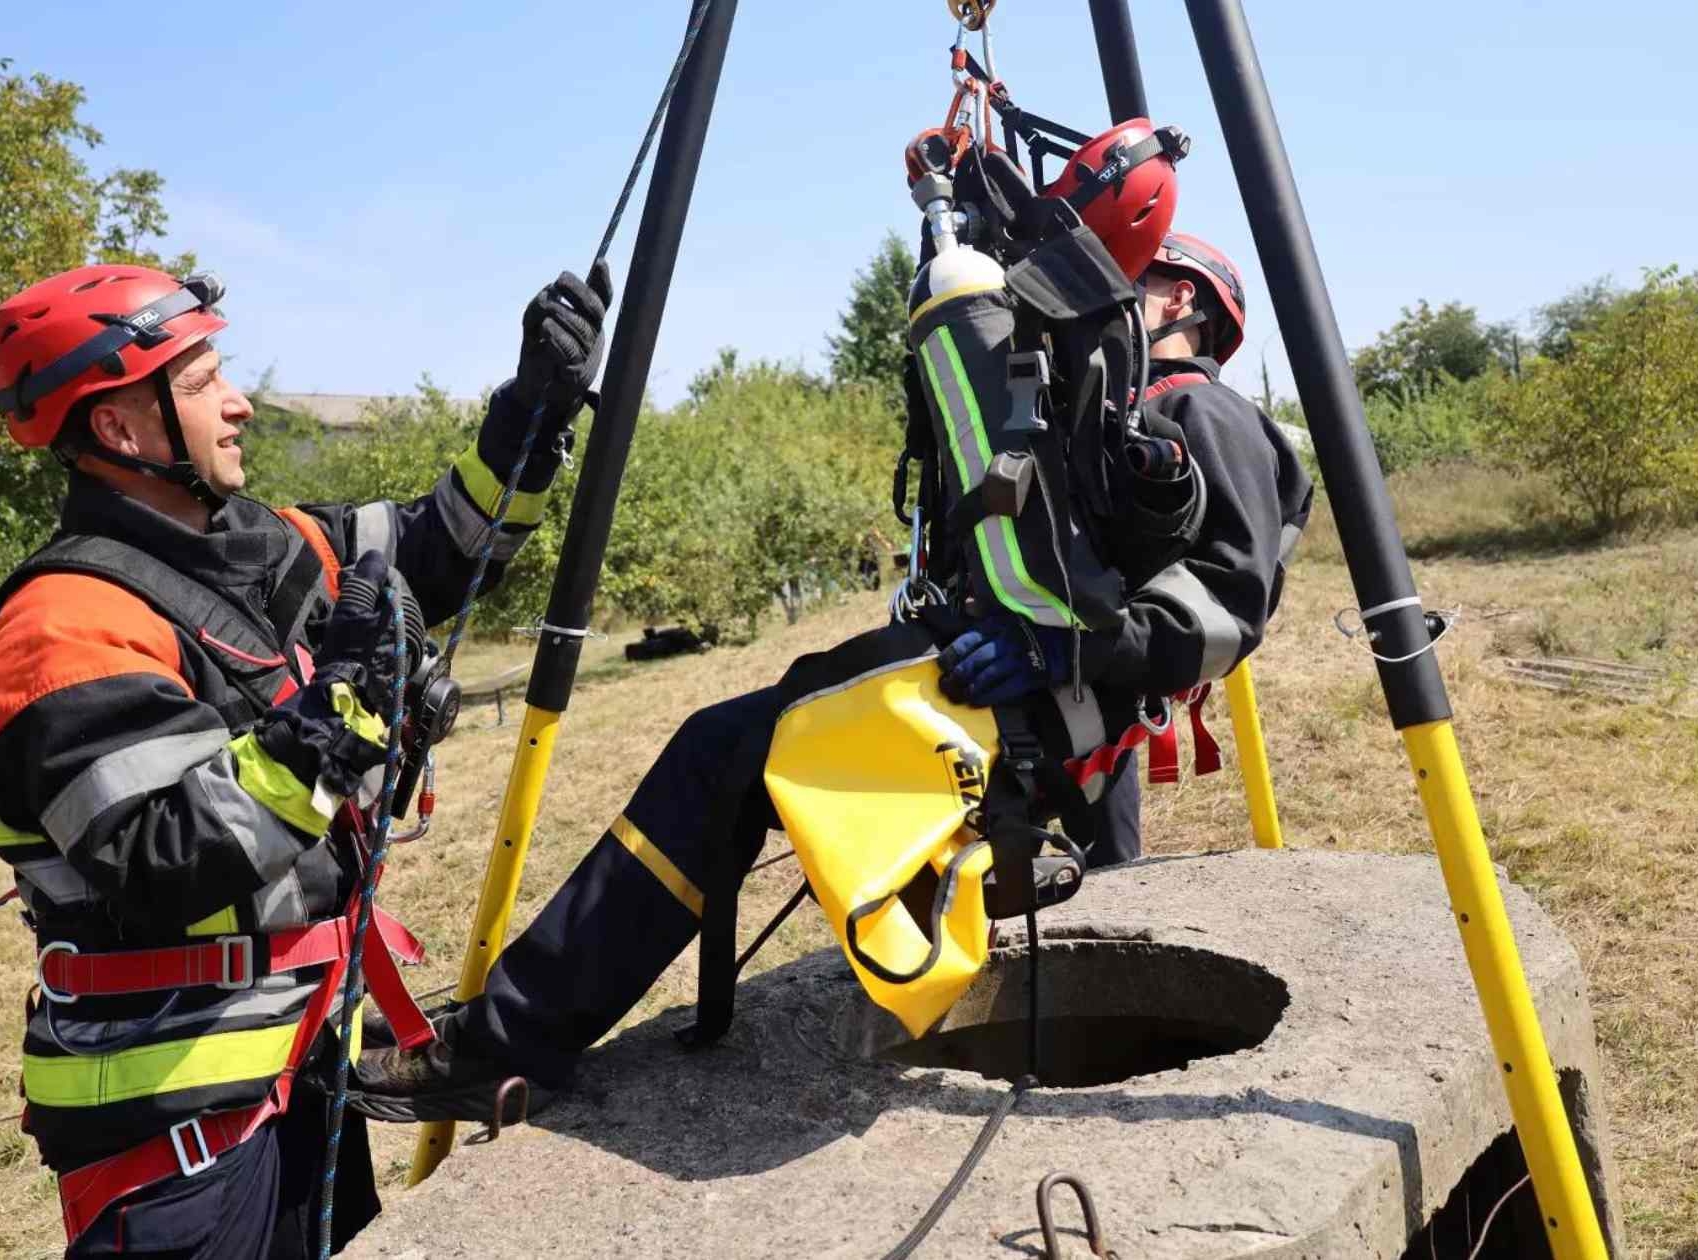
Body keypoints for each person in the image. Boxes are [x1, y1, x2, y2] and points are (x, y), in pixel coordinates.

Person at [348, 217, 1313, 1124]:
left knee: (719, 751)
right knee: (771, 712)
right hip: (1028, 688)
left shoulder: (1203, 409)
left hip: (1033, 700)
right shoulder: (1115, 409)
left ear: (1184, 302)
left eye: (1134, 277)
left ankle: (511, 1039)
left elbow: (1228, 607)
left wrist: (1063, 647)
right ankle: (516, 1026)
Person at [0, 258, 612, 1257]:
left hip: (300, 1069)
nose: (240, 402)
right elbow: (162, 861)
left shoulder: (255, 547)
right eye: (199, 382)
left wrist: (529, 414)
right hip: (174, 1131)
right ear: (118, 428)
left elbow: (438, 548)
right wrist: (333, 722)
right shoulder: (61, 630)